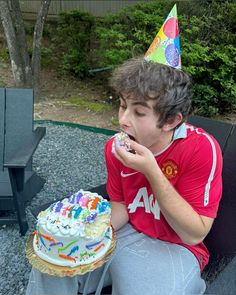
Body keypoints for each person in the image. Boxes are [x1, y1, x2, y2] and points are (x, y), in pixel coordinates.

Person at [26, 57, 222, 295]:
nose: (122, 121)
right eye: (122, 105)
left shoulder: (200, 148)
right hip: (129, 230)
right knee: (53, 264)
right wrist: (77, 234)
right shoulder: (114, 148)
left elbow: (194, 234)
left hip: (176, 246)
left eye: (139, 112)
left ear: (171, 120)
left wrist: (151, 171)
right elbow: (121, 207)